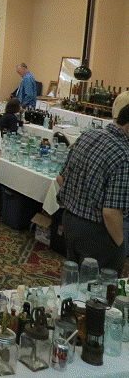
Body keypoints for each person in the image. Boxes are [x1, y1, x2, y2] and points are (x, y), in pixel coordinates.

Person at [56, 103, 129, 277]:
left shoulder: (88, 135)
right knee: (98, 289)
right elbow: (110, 212)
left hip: (70, 221)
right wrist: (120, 244)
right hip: (97, 233)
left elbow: (61, 179)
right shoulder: (123, 155)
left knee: (73, 281)